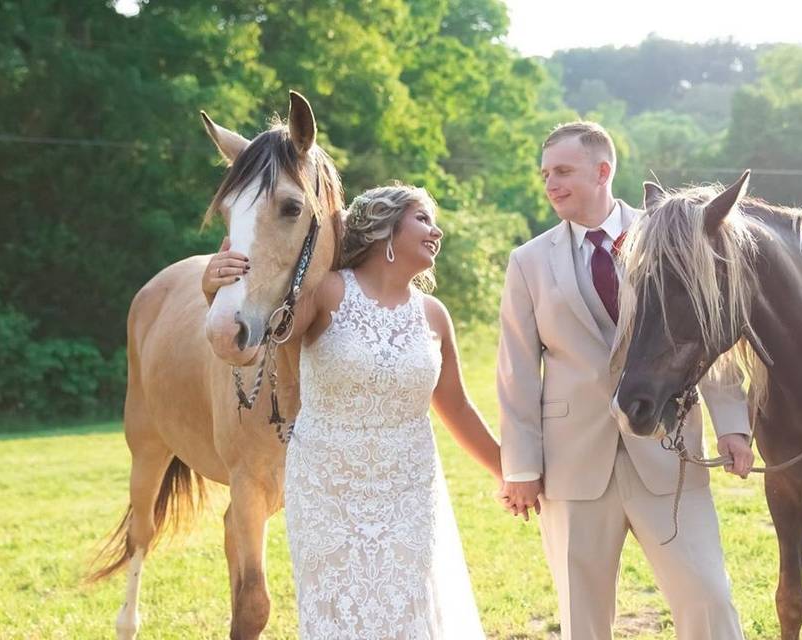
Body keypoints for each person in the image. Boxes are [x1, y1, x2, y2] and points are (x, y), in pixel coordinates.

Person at [496, 121, 754, 640]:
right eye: (546, 173)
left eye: (564, 171)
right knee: (583, 616)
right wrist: (520, 466)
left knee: (708, 595)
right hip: (573, 462)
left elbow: (705, 328)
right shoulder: (527, 262)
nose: (551, 184)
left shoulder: (674, 234)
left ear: (603, 171)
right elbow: (517, 371)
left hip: (667, 449)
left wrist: (733, 423)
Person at [202, 184, 496, 639]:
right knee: (340, 616)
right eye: (423, 219)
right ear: (382, 228)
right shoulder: (326, 292)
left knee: (410, 611)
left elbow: (457, 407)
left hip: (410, 492)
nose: (436, 231)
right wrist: (214, 290)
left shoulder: (435, 315)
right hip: (327, 492)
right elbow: (257, 340)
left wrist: (511, 471)